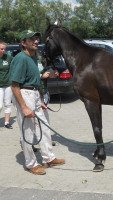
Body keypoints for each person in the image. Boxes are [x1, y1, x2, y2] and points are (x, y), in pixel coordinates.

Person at [10, 30, 65, 175]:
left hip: (34, 94)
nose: (36, 41)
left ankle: (48, 158)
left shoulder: (34, 57)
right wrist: (23, 106)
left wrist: (39, 100)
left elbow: (34, 81)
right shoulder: (20, 58)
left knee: (44, 127)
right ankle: (31, 163)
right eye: (32, 39)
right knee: (28, 131)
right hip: (24, 94)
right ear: (23, 43)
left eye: (36, 38)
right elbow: (14, 85)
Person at [0, 40, 13, 129]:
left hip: (8, 85)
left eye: (4, 49)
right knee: (0, 105)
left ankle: (7, 122)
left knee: (8, 104)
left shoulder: (8, 57)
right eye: (1, 49)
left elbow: (14, 66)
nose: (3, 51)